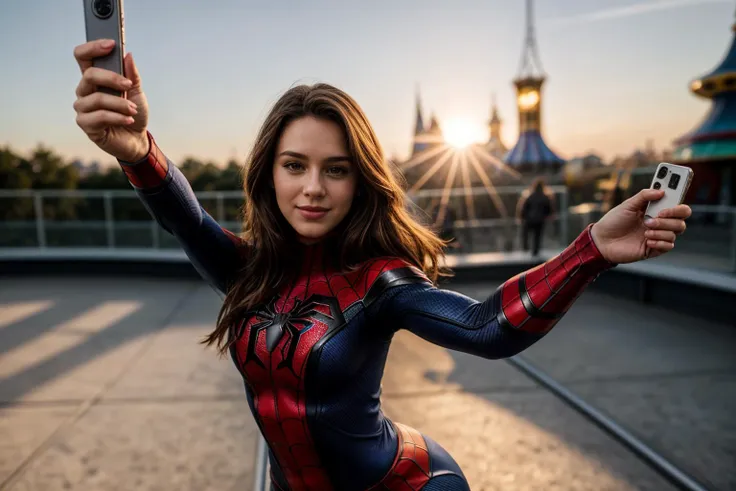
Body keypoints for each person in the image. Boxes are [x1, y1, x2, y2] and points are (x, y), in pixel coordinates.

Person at [72, 40, 691, 491]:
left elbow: (486, 327)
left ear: (360, 180)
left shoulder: (380, 281)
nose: (312, 188)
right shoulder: (249, 272)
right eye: (294, 165)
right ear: (269, 173)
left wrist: (592, 250)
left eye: (335, 169)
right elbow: (186, 219)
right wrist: (137, 150)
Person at [516, 177, 554, 256]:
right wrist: (547, 216)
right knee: (537, 236)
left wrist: (521, 217)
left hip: (529, 219)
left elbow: (524, 207)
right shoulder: (545, 197)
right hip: (540, 220)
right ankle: (535, 252)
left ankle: (525, 248)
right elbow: (549, 209)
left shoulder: (530, 196)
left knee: (526, 234)